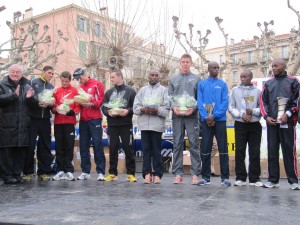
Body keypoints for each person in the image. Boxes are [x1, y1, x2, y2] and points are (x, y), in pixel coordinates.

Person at [260, 58, 300, 190]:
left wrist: (287, 114)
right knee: (272, 151)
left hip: (287, 123)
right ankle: (273, 180)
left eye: (276, 66)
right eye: (272, 66)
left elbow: (297, 101)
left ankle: (293, 181)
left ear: (283, 66)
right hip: (272, 123)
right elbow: (263, 101)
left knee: (289, 151)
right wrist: (266, 116)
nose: (273, 68)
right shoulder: (268, 83)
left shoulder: (293, 81)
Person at [168, 53, 201, 185]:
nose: (185, 64)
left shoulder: (196, 78)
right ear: (180, 63)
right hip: (177, 115)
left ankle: (195, 174)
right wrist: (173, 107)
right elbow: (169, 96)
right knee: (177, 143)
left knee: (194, 143)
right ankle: (178, 173)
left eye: (187, 62)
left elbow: (200, 98)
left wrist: (193, 108)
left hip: (192, 116)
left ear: (191, 63)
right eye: (183, 62)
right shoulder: (173, 79)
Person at [197, 61, 231, 187]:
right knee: (205, 148)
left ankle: (225, 178)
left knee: (223, 149)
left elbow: (225, 102)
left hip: (220, 120)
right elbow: (200, 102)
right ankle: (205, 177)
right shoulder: (202, 84)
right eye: (214, 68)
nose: (216, 69)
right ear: (209, 69)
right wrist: (206, 117)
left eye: (218, 68)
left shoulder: (222, 84)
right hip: (206, 121)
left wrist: (214, 115)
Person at [133, 70, 169, 184]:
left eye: (156, 75)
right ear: (148, 76)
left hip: (157, 126)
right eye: (152, 75)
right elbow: (135, 108)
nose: (154, 77)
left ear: (159, 77)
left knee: (156, 151)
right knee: (146, 150)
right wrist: (143, 109)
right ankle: (147, 174)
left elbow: (167, 109)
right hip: (144, 126)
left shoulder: (164, 90)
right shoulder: (142, 90)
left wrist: (157, 110)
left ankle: (158, 174)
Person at [0, 64, 35, 184]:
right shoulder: (2, 85)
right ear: (9, 73)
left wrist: (30, 98)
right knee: (7, 152)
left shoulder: (27, 86)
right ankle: (7, 175)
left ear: (21, 74)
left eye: (18, 72)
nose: (15, 74)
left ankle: (17, 173)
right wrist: (13, 95)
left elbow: (33, 106)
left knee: (20, 151)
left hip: (23, 125)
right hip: (6, 125)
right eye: (13, 72)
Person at [229, 70, 263, 187]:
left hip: (254, 124)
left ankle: (254, 178)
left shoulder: (258, 92)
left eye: (245, 76)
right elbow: (231, 107)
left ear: (251, 78)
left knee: (254, 151)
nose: (242, 78)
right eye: (241, 77)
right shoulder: (234, 91)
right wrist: (241, 115)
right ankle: (240, 177)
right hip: (240, 123)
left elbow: (262, 108)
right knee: (240, 150)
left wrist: (252, 112)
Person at [102, 70, 137, 182]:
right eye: (111, 77)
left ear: (119, 77)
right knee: (112, 148)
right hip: (112, 124)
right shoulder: (109, 92)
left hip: (126, 124)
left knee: (128, 148)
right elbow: (104, 107)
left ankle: (131, 173)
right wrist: (108, 113)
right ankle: (112, 173)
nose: (111, 79)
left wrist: (128, 111)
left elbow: (135, 107)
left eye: (112, 77)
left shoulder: (130, 91)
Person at [73, 68, 106, 181]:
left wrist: (92, 104)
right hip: (83, 119)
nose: (78, 80)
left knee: (97, 144)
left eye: (79, 78)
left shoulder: (97, 84)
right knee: (83, 145)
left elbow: (102, 100)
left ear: (84, 74)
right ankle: (85, 171)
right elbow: (78, 103)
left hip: (95, 118)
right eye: (77, 79)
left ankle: (101, 172)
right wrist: (75, 110)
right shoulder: (81, 87)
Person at [23, 66, 55, 181]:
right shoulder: (32, 82)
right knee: (30, 146)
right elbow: (27, 99)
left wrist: (52, 103)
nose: (51, 75)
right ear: (43, 72)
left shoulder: (51, 87)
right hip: (33, 119)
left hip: (45, 119)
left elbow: (52, 103)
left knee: (45, 146)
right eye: (49, 73)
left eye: (52, 74)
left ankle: (43, 172)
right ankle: (28, 172)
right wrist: (37, 104)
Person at [51, 71, 80, 181]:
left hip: (69, 122)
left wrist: (73, 112)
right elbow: (53, 107)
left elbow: (78, 106)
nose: (64, 83)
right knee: (59, 146)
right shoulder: (56, 91)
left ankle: (68, 170)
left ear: (70, 80)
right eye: (62, 81)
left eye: (66, 81)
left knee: (69, 146)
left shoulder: (74, 91)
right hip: (58, 122)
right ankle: (60, 170)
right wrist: (55, 109)